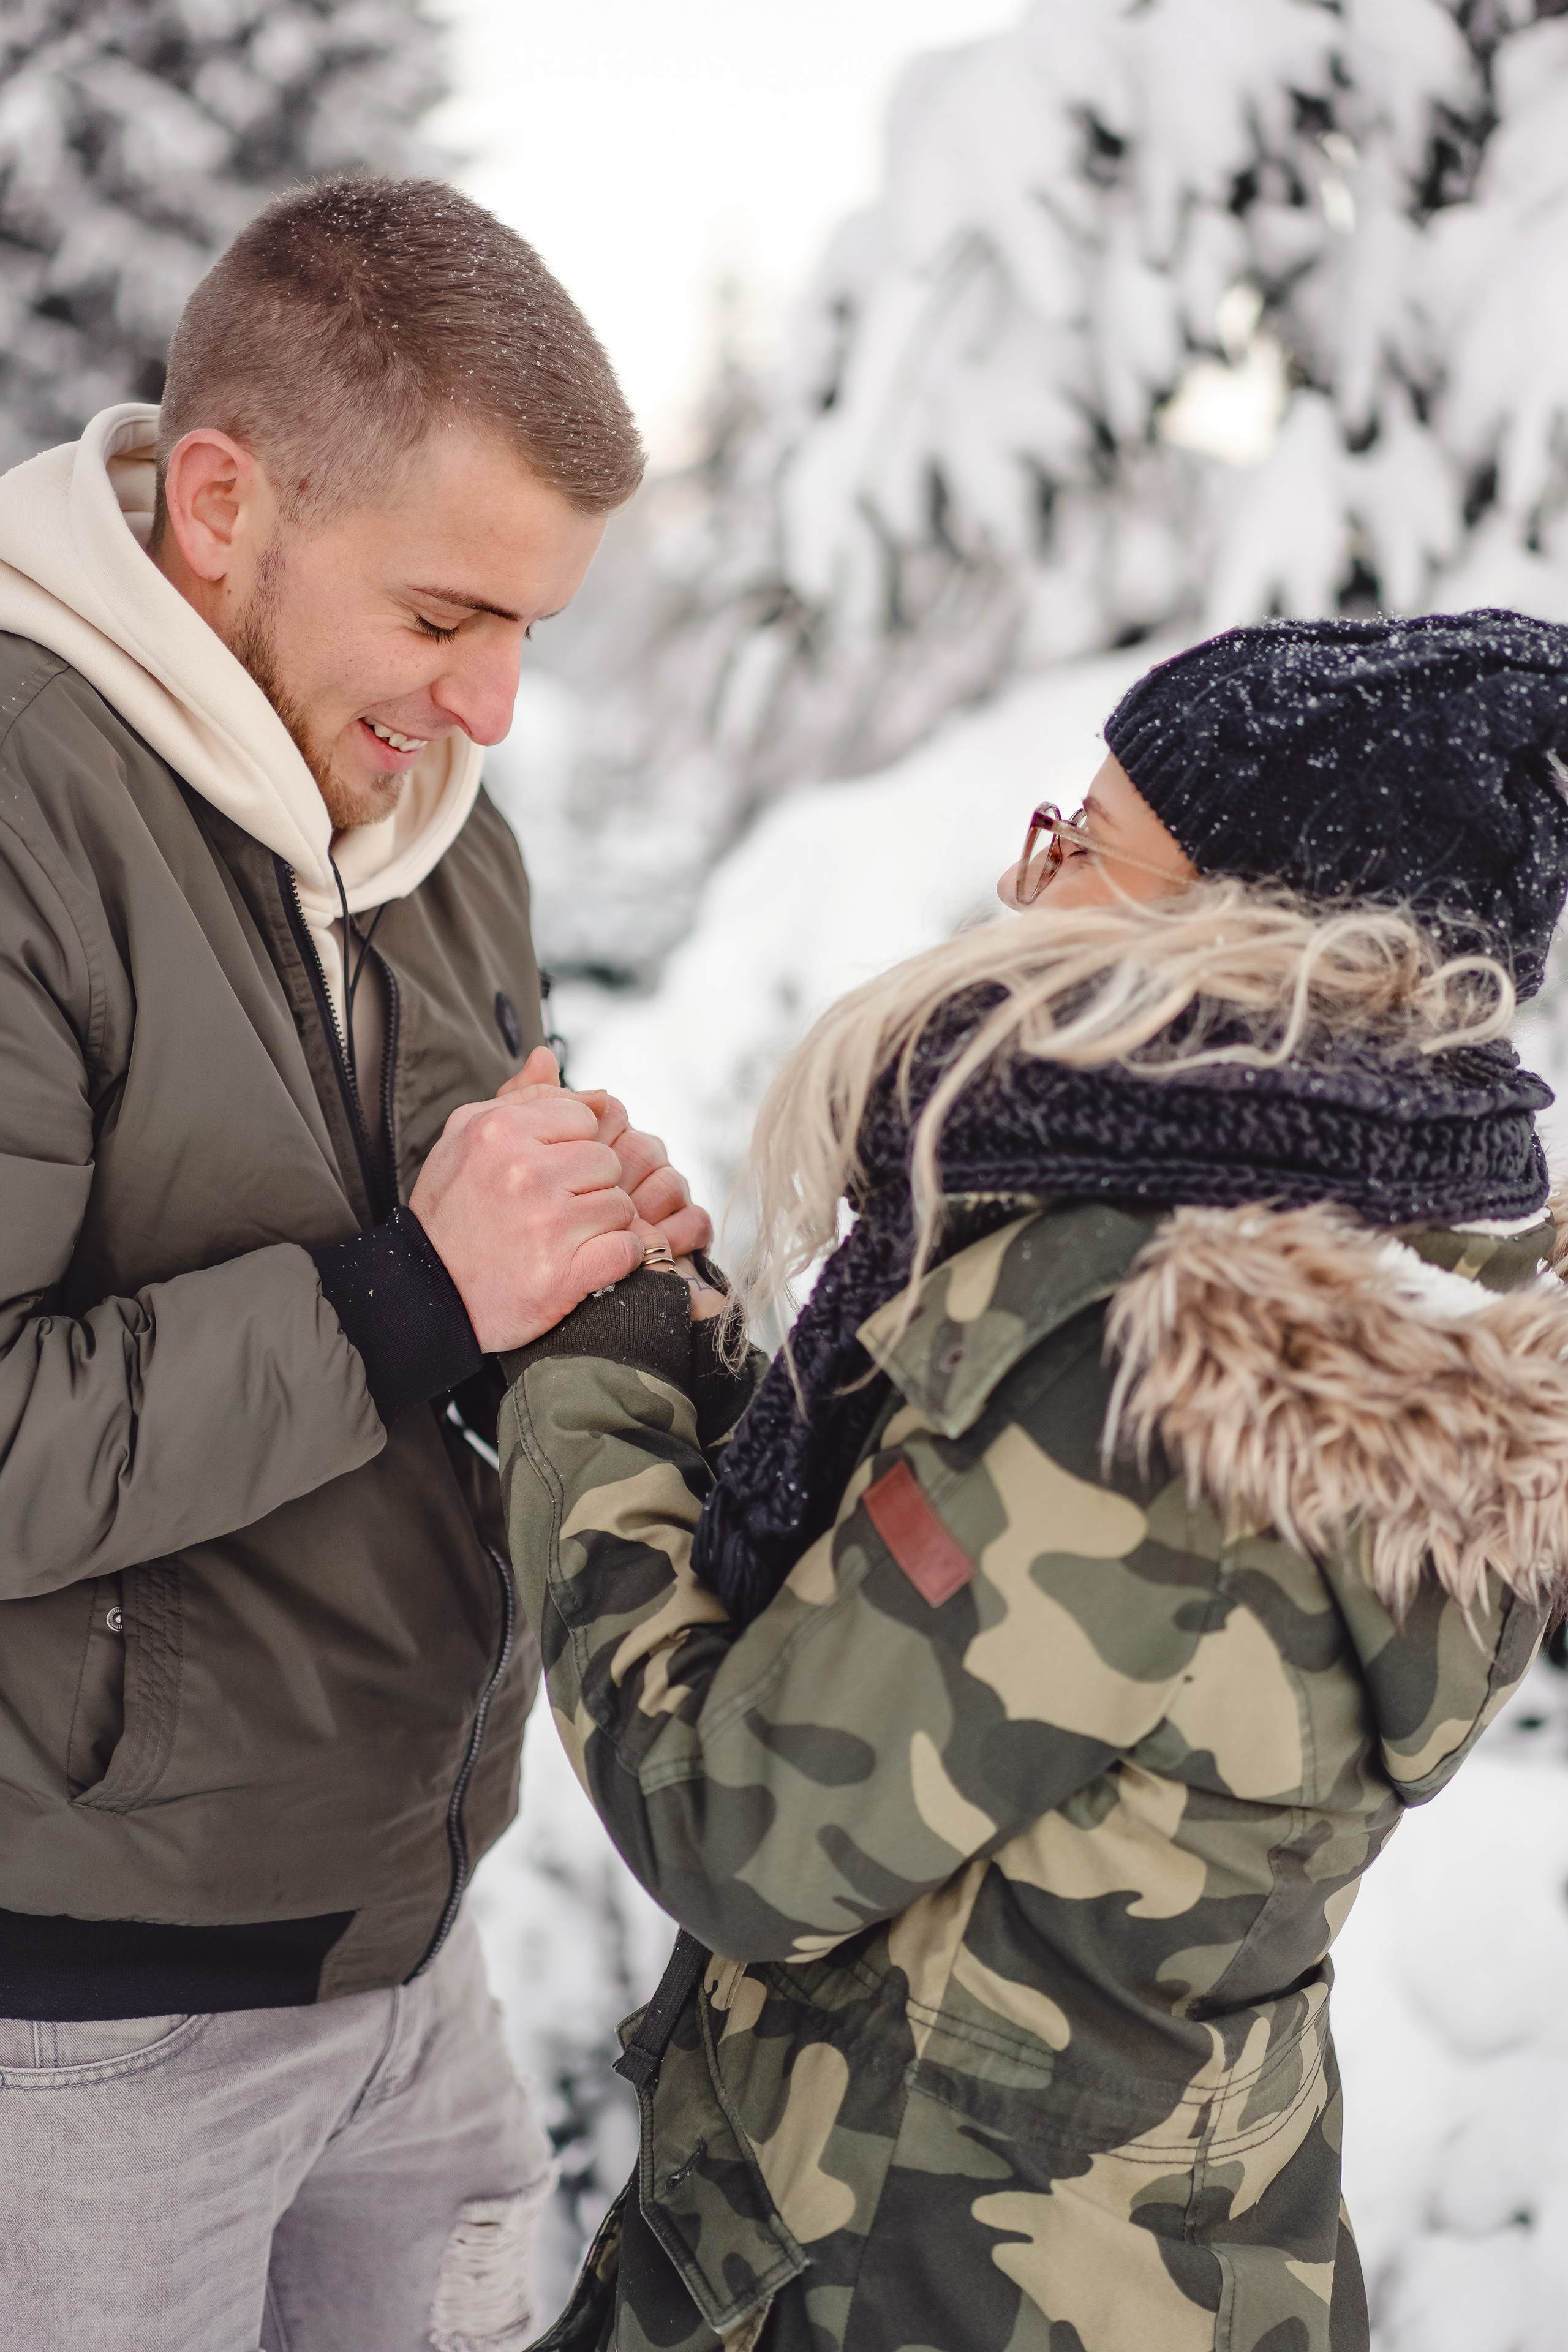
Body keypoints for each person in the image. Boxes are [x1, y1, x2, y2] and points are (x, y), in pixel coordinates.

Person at [496, 611, 1568, 2352]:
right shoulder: (1402, 1277)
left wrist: (584, 1380)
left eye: (1084, 848)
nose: (1027, 889)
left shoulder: (1142, 1360)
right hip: (1176, 2266)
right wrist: (706, 1379)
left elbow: (743, 1821)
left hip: (905, 2285)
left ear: (1238, 936)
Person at [0, 176, 701, 2351]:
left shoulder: (429, 831)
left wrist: (587, 1270)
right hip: (86, 2025)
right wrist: (414, 1296)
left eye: (532, 634)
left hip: (402, 1944)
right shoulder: (25, 809)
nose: (489, 707)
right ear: (220, 503)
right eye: (442, 618)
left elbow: (437, 1267)